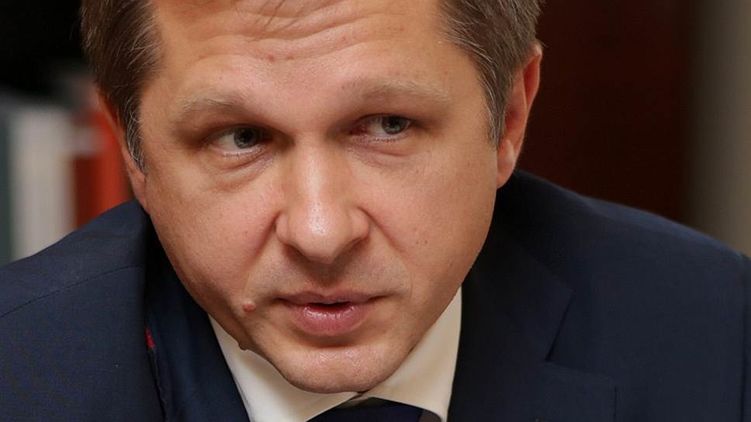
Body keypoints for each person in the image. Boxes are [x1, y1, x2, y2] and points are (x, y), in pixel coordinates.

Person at [1, 0, 749, 421]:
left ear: (511, 118)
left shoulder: (716, 333)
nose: (320, 233)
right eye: (240, 138)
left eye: (388, 125)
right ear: (133, 150)